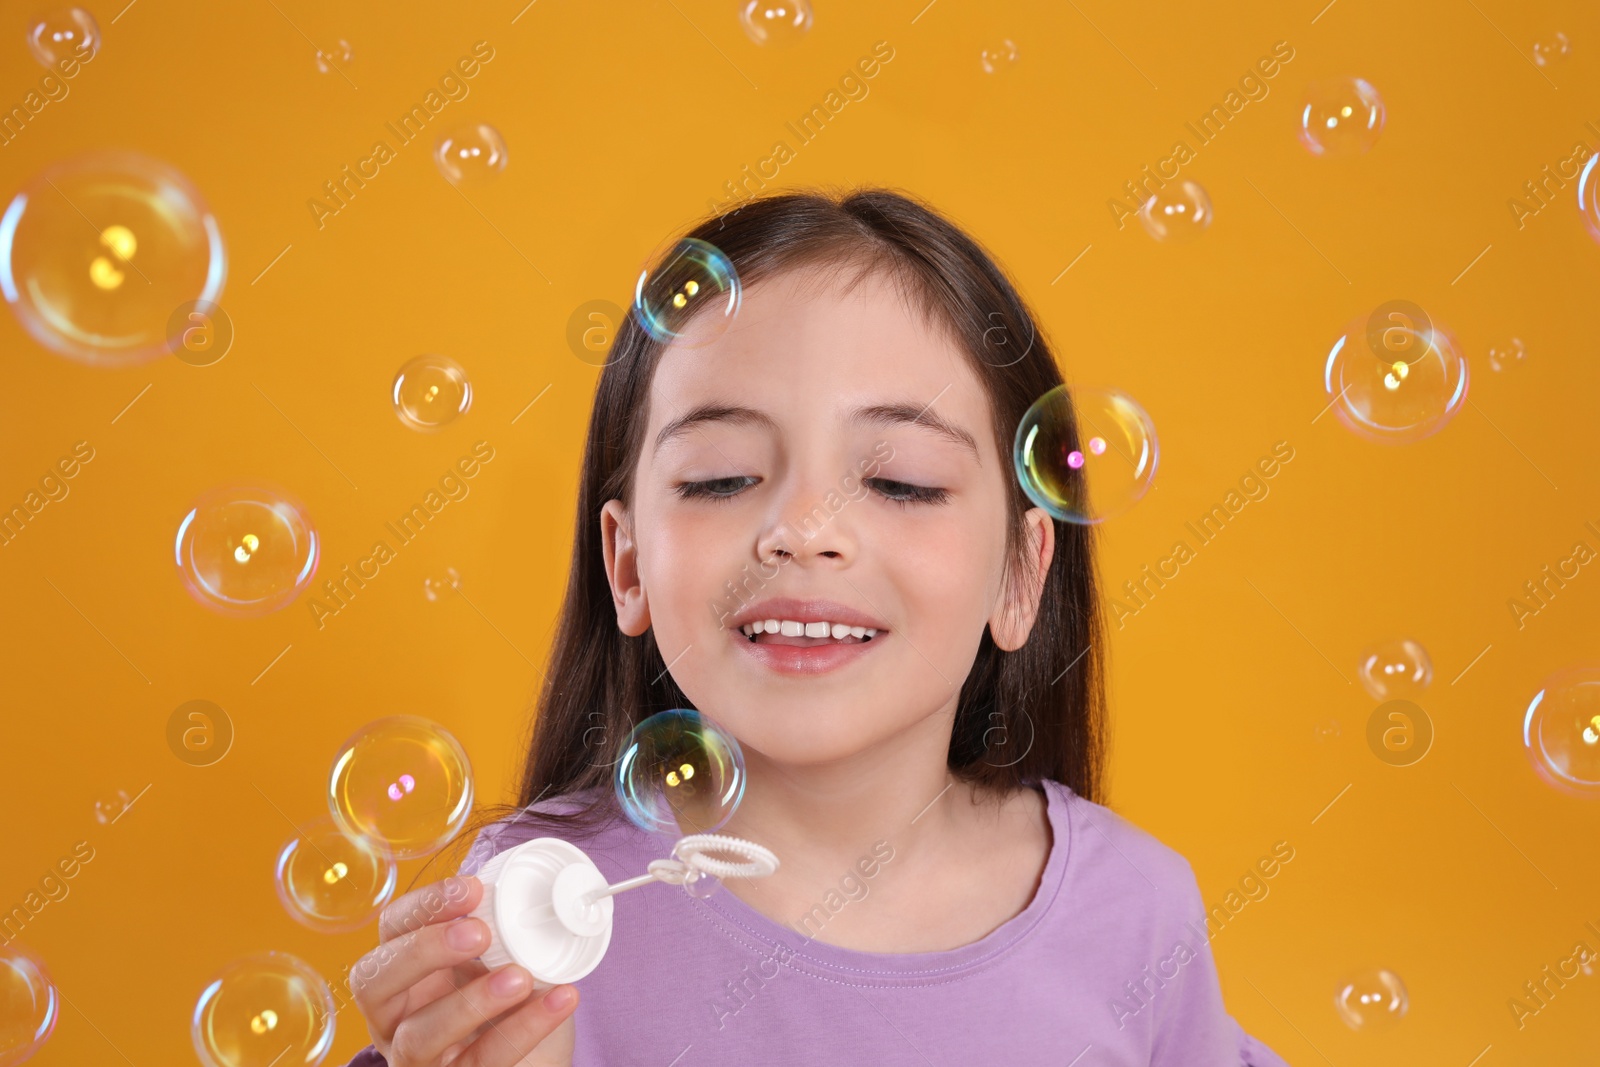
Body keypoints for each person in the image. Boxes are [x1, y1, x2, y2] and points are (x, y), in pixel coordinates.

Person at [340, 188, 1292, 1066]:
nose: (804, 529)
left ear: (1020, 572)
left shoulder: (1136, 914)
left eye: (901, 481)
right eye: (720, 477)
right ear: (627, 566)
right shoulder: (533, 912)